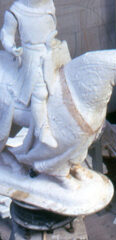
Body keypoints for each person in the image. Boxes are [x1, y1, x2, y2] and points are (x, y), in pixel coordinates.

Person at [0, 0, 68, 148]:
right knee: (40, 92)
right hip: (32, 57)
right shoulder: (15, 11)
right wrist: (12, 48)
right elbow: (6, 35)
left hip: (52, 51)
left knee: (66, 78)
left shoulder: (48, 4)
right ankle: (42, 129)